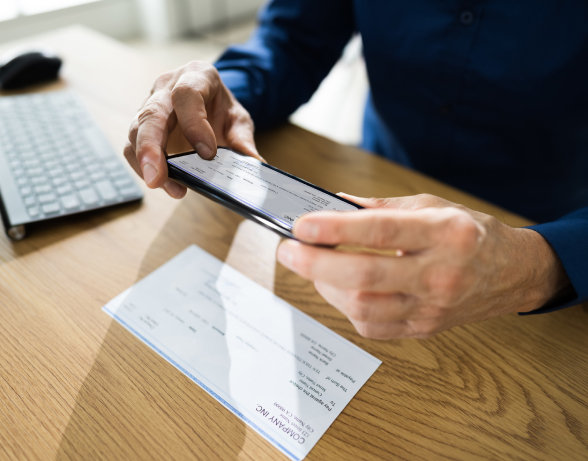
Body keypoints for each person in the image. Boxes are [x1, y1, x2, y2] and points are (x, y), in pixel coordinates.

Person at [124, 0, 588, 339]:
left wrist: (537, 266)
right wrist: (226, 91)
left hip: (548, 227)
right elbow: (293, 40)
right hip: (374, 185)